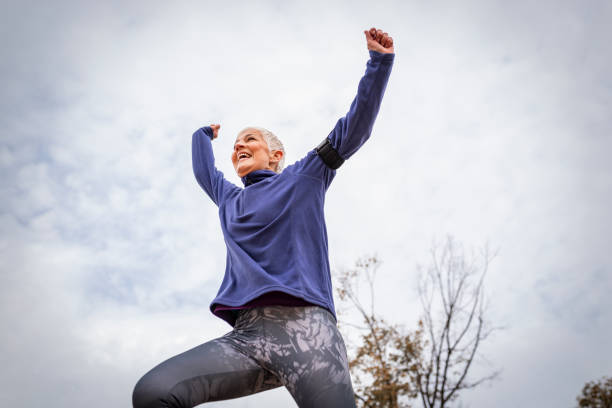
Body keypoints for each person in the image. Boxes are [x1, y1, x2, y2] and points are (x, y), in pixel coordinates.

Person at [132, 27, 395, 408]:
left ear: (275, 155)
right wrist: (202, 134)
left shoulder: (305, 176)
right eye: (236, 143)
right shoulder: (229, 200)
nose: (239, 144)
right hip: (247, 341)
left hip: (309, 334)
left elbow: (355, 127)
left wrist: (379, 63)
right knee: (153, 392)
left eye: (250, 139)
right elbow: (204, 170)